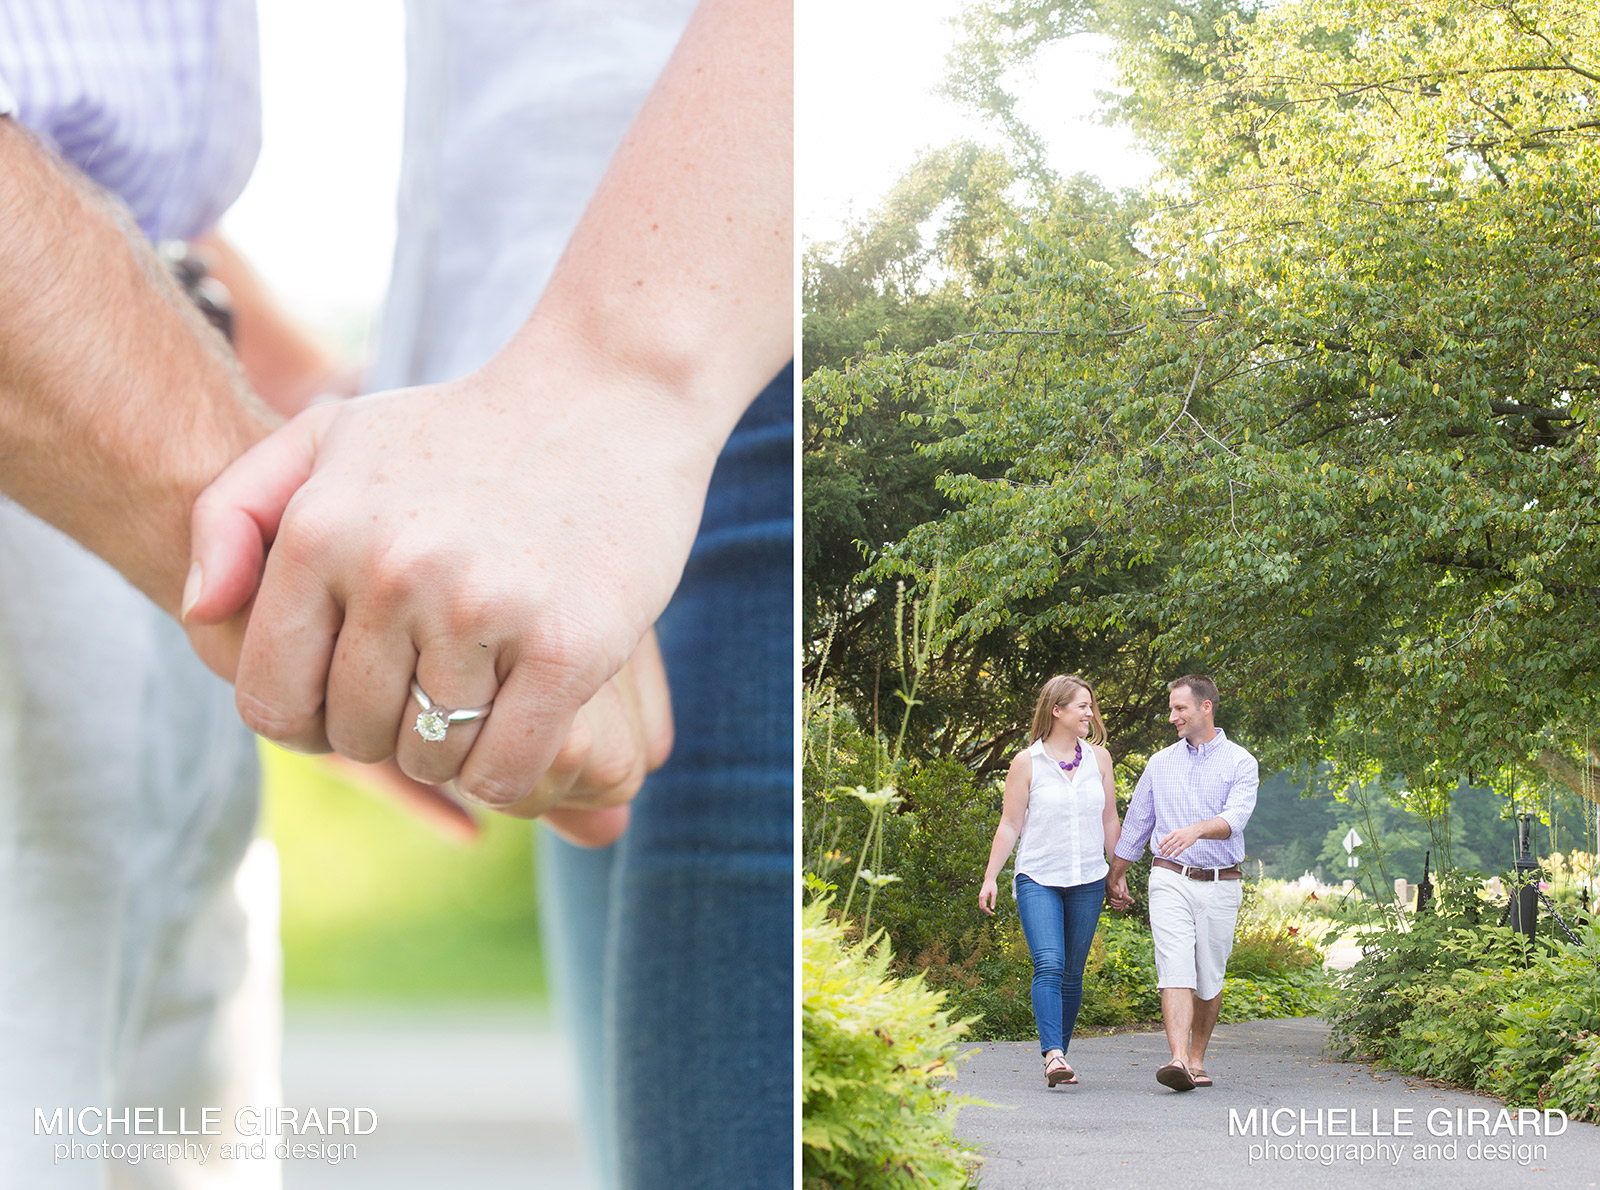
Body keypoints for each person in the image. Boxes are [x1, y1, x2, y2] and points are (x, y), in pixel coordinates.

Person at [1106, 673, 1259, 1092]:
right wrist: (1115, 875)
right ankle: (1176, 1059)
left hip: (1220, 882)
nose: (1172, 716)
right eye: (1171, 708)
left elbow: (1235, 820)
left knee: (1209, 975)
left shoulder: (1241, 762)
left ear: (1205, 707)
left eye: (1180, 708)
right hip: (1169, 876)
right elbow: (1137, 825)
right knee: (1174, 966)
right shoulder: (1160, 763)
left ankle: (1196, 1058)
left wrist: (1194, 831)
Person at [979, 675, 1127, 1087]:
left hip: (1088, 879)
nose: (1090, 712)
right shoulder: (1028, 762)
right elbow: (1010, 824)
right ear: (1057, 710)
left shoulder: (1100, 759)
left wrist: (1117, 872)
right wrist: (991, 876)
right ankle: (1054, 1054)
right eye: (1082, 705)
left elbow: (1110, 818)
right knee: (1050, 962)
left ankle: (1057, 1058)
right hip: (1038, 877)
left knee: (1073, 973)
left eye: (1091, 706)